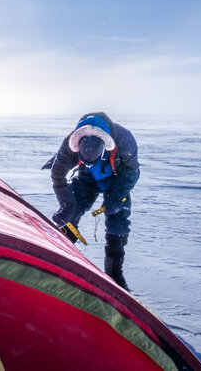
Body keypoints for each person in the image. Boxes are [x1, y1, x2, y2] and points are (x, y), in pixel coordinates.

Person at [43, 112, 140, 291]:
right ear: (78, 147)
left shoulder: (125, 140)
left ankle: (114, 275)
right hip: (87, 179)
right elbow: (58, 174)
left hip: (117, 181)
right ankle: (61, 260)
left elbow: (132, 172)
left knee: (117, 221)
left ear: (105, 147)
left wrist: (116, 198)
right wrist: (67, 203)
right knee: (70, 215)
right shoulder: (70, 143)